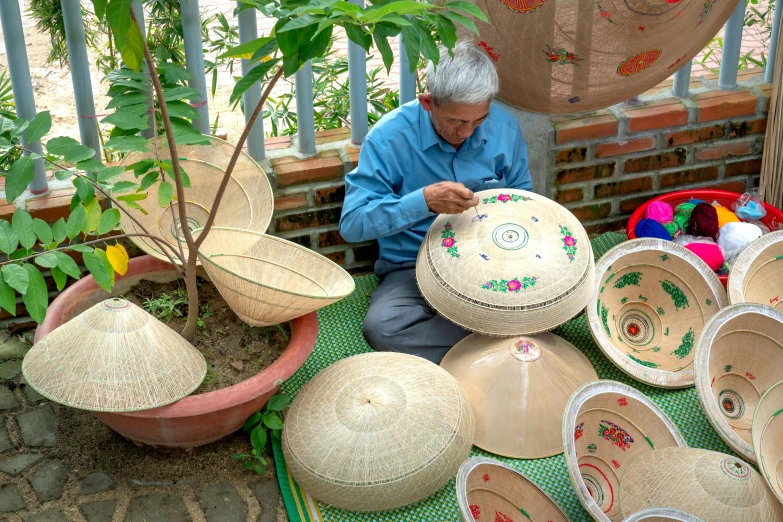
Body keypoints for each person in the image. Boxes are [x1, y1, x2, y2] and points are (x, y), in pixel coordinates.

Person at [338, 40, 533, 363]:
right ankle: (502, 339)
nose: (468, 132)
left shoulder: (505, 128)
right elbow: (353, 224)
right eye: (457, 121)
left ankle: (488, 335)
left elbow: (524, 201)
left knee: (564, 298)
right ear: (427, 102)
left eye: (479, 120)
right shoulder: (388, 139)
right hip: (412, 268)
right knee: (382, 327)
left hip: (492, 262)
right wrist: (423, 202)